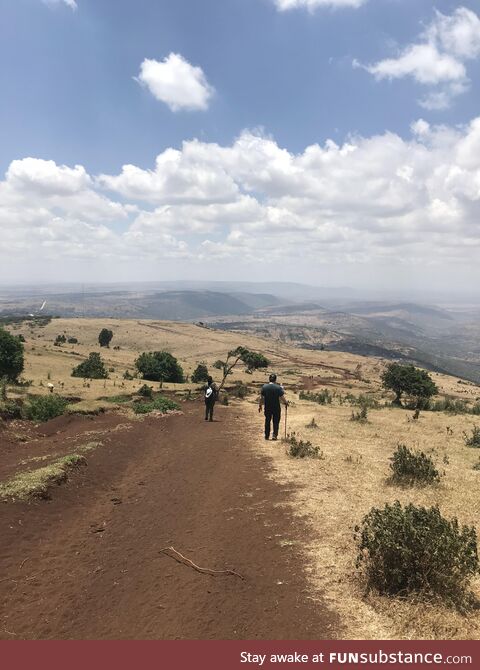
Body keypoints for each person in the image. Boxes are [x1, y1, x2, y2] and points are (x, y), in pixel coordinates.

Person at [258, 373, 288, 440]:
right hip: (276, 407)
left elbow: (261, 398)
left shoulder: (264, 387)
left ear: (269, 379)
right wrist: (285, 403)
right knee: (276, 421)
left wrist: (260, 405)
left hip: (267, 407)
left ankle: (267, 435)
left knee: (267, 421)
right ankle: (274, 435)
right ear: (275, 379)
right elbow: (282, 397)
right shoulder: (278, 387)